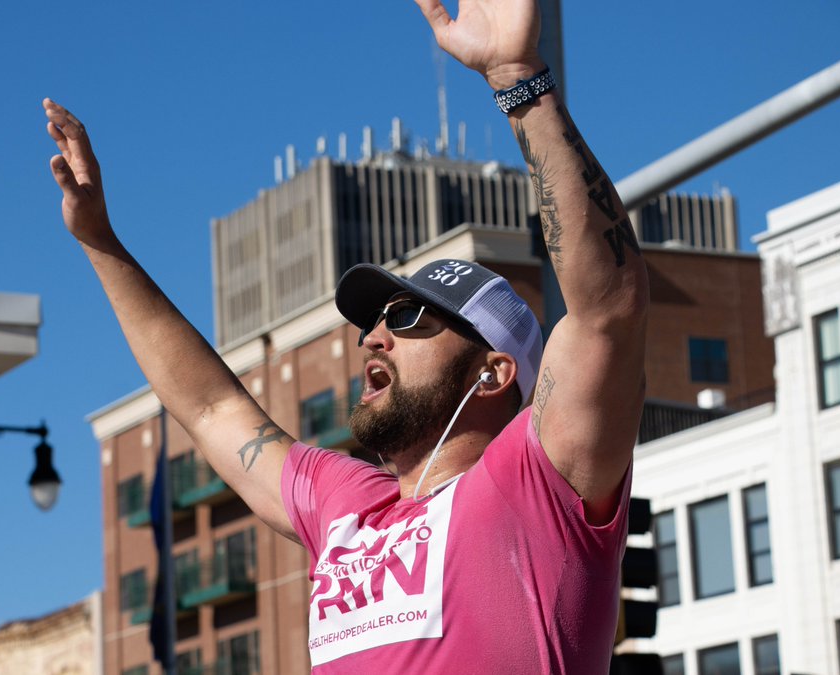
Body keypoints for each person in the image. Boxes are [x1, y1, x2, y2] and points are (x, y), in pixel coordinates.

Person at [45, 0, 647, 670]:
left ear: (495, 371)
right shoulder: (347, 505)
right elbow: (212, 407)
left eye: (411, 318)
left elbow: (607, 311)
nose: (374, 338)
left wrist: (518, 79)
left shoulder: (541, 480)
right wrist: (100, 243)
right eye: (376, 319)